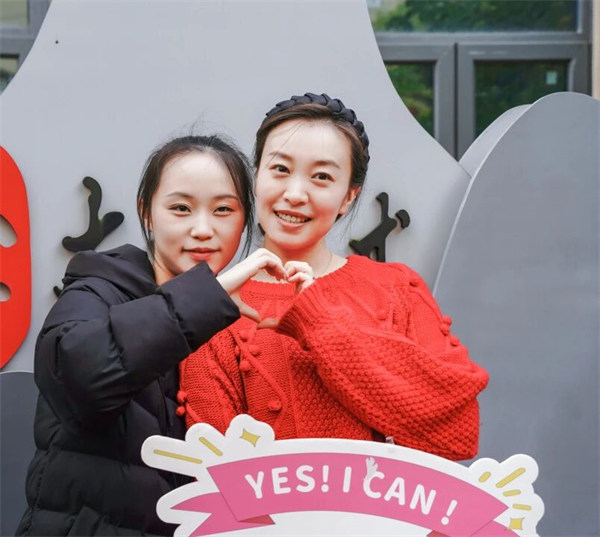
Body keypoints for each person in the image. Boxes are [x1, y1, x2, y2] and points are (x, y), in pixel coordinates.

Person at [179, 93, 489, 461]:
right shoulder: (217, 307)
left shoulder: (397, 289)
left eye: (322, 177)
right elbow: (214, 468)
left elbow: (457, 437)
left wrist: (320, 323)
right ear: (257, 177)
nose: (295, 194)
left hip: (386, 503)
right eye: (280, 169)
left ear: (348, 197)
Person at [16, 135, 287, 536]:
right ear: (146, 212)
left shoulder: (240, 321)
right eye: (180, 208)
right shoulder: (98, 289)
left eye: (223, 210)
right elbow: (81, 379)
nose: (203, 229)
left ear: (245, 219)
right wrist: (203, 301)